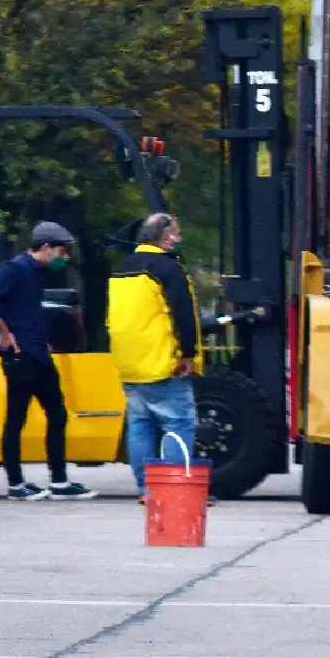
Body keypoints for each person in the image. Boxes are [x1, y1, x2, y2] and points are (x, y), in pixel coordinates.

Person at [0, 221, 98, 502]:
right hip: (21, 356)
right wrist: (5, 331)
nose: (64, 258)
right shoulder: (16, 269)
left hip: (39, 353)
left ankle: (59, 481)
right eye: (61, 252)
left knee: (57, 415)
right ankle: (16, 484)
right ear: (45, 247)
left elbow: (25, 310)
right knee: (16, 419)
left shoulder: (36, 273)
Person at [107, 213, 204, 503]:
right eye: (177, 233)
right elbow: (183, 313)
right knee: (178, 424)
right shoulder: (167, 268)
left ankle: (146, 490)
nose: (180, 239)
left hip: (130, 362)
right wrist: (187, 353)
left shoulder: (121, 269)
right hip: (162, 361)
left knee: (140, 425)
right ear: (164, 237)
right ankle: (173, 491)